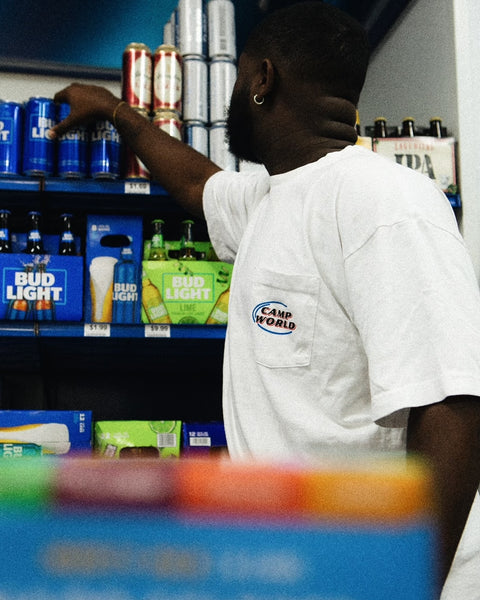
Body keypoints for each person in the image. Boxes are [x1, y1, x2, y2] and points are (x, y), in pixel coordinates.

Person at [51, 2, 480, 598]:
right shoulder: (272, 198)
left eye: (238, 75)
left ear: (262, 79)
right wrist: (117, 111)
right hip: (295, 569)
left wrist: (409, 585)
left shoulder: (385, 203)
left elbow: (454, 407)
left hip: (369, 578)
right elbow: (199, 184)